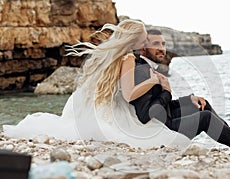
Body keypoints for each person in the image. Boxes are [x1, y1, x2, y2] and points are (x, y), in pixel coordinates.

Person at [2, 20, 191, 148]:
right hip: (104, 108)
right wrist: (153, 80)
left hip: (81, 103)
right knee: (155, 137)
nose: (145, 43)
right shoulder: (127, 57)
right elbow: (129, 95)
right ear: (134, 40)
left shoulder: (110, 54)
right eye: (143, 39)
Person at [129, 29, 230, 155]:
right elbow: (146, 114)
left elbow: (159, 105)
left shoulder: (149, 67)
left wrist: (187, 100)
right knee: (205, 118)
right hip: (160, 129)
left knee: (201, 104)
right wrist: (166, 91)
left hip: (165, 118)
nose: (162, 48)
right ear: (143, 48)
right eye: (156, 44)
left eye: (163, 44)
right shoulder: (142, 70)